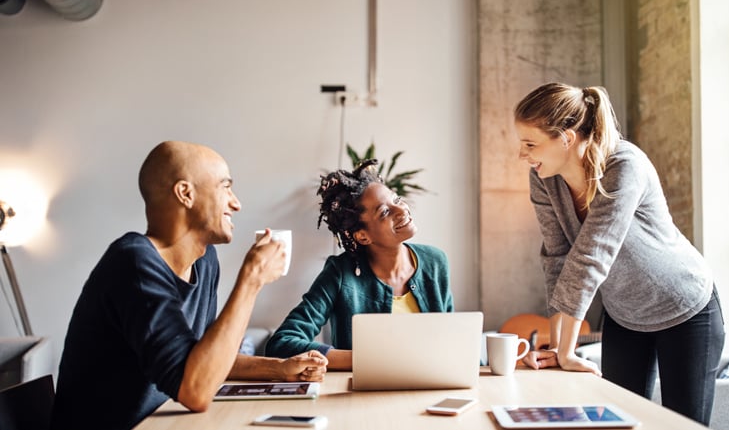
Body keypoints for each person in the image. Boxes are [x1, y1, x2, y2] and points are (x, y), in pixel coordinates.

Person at [51, 141, 328, 430]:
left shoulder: (205, 260)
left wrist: (279, 369)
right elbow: (195, 391)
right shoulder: (133, 262)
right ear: (186, 193)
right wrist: (251, 279)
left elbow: (205, 360)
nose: (236, 203)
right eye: (225, 187)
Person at [513, 82, 725, 425]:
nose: (522, 155)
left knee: (683, 426)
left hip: (685, 307)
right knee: (614, 421)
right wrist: (558, 346)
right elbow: (557, 259)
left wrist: (567, 351)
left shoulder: (624, 165)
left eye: (531, 144)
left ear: (566, 138)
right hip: (625, 315)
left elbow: (592, 255)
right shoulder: (543, 178)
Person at [265, 159, 454, 370]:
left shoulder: (435, 262)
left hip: (431, 387)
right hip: (362, 397)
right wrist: (363, 360)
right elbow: (281, 343)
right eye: (384, 212)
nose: (401, 210)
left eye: (397, 199)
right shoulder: (340, 274)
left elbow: (450, 341)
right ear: (363, 236)